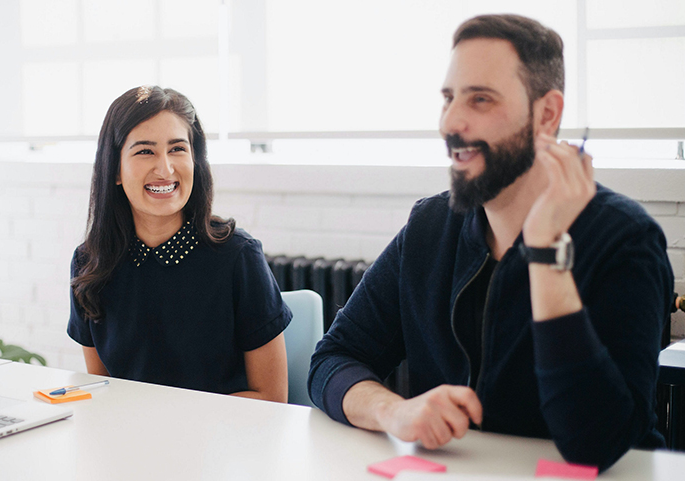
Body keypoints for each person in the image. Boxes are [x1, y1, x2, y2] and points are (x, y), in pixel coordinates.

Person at [308, 14, 673, 471]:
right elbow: (332, 360)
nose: (451, 122)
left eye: (480, 99)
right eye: (448, 98)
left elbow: (596, 443)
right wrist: (393, 410)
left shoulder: (626, 240)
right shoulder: (431, 225)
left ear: (546, 114)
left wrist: (545, 253)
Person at [68, 86, 291, 403]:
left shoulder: (237, 256)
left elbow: (271, 397)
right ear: (115, 169)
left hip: (225, 442)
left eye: (177, 149)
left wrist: (169, 424)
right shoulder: (90, 262)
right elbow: (103, 389)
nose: (165, 169)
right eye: (145, 151)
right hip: (130, 440)